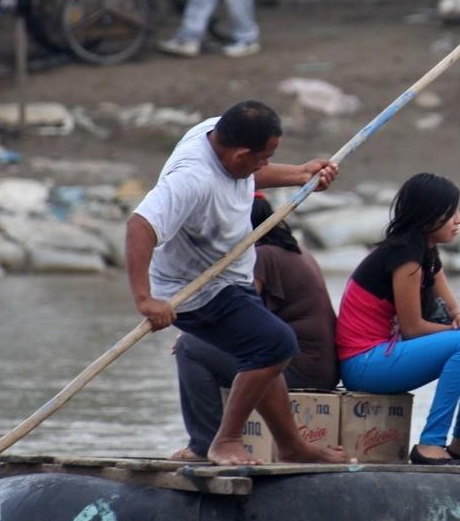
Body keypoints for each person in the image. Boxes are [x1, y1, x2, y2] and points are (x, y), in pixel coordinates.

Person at [126, 99, 346, 466]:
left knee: (265, 351)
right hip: (196, 289)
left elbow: (251, 171)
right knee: (278, 343)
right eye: (263, 157)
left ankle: (291, 446)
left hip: (232, 275)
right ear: (240, 153)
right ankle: (223, 440)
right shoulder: (190, 179)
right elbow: (140, 225)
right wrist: (145, 299)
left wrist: (300, 174)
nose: (265, 164)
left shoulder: (219, 133)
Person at [335, 173, 460, 465]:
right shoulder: (406, 257)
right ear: (428, 217)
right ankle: (430, 444)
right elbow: (413, 329)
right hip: (363, 363)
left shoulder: (426, 252)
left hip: (384, 352)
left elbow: (454, 311)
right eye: (451, 213)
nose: (459, 220)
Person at [170, 193, 339, 461]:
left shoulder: (260, 256)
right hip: (319, 366)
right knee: (196, 343)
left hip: (298, 367)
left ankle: (203, 445)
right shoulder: (293, 249)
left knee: (189, 347)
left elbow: (246, 319)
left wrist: (193, 330)